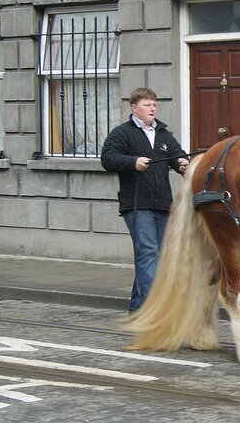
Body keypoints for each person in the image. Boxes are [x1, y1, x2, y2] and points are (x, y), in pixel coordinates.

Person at [101, 88, 189, 313]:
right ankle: (156, 310)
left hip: (162, 204)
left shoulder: (162, 133)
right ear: (134, 107)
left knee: (154, 257)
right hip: (137, 204)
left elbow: (178, 154)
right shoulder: (122, 133)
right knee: (148, 254)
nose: (152, 108)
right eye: (147, 105)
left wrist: (182, 163)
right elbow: (108, 158)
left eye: (154, 105)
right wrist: (133, 162)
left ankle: (137, 310)